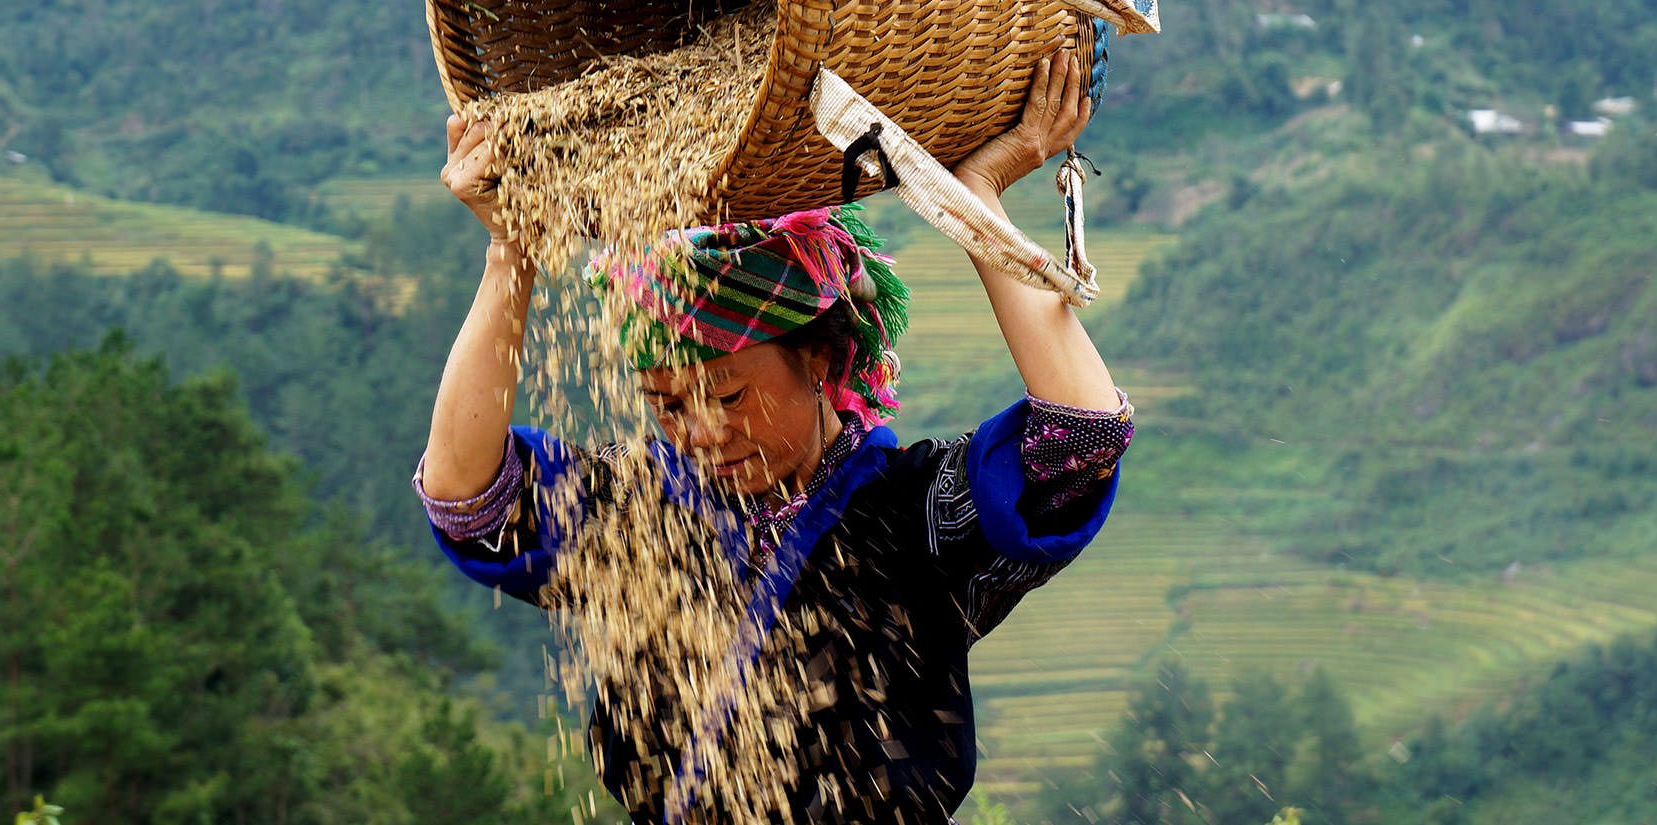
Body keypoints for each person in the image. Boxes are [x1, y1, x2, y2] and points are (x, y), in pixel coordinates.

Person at [416, 49, 1132, 824]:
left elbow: (1082, 436)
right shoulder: (636, 511)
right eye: (664, 404)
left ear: (821, 358)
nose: (697, 432)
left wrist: (970, 200)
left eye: (726, 395)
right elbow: (468, 498)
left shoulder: (915, 515)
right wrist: (511, 248)